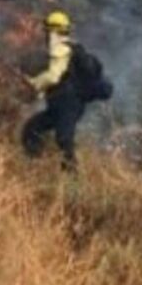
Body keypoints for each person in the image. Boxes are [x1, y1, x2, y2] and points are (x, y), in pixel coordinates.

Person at [21, 11, 99, 171]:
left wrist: (35, 83)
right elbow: (61, 80)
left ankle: (72, 180)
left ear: (54, 31)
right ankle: (33, 166)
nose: (46, 35)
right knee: (32, 128)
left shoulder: (61, 49)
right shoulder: (72, 48)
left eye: (48, 31)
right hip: (63, 104)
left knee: (64, 140)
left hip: (68, 106)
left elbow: (53, 77)